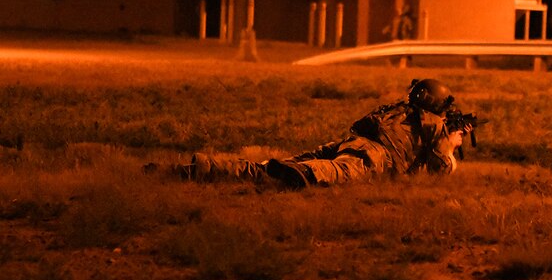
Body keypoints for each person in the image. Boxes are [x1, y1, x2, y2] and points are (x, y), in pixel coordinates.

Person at [155, 79, 467, 188]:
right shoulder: (434, 125)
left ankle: (201, 169)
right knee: (333, 172)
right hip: (372, 155)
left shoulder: (398, 110)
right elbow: (439, 169)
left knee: (265, 170)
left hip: (352, 142)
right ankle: (299, 173)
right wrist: (451, 147)